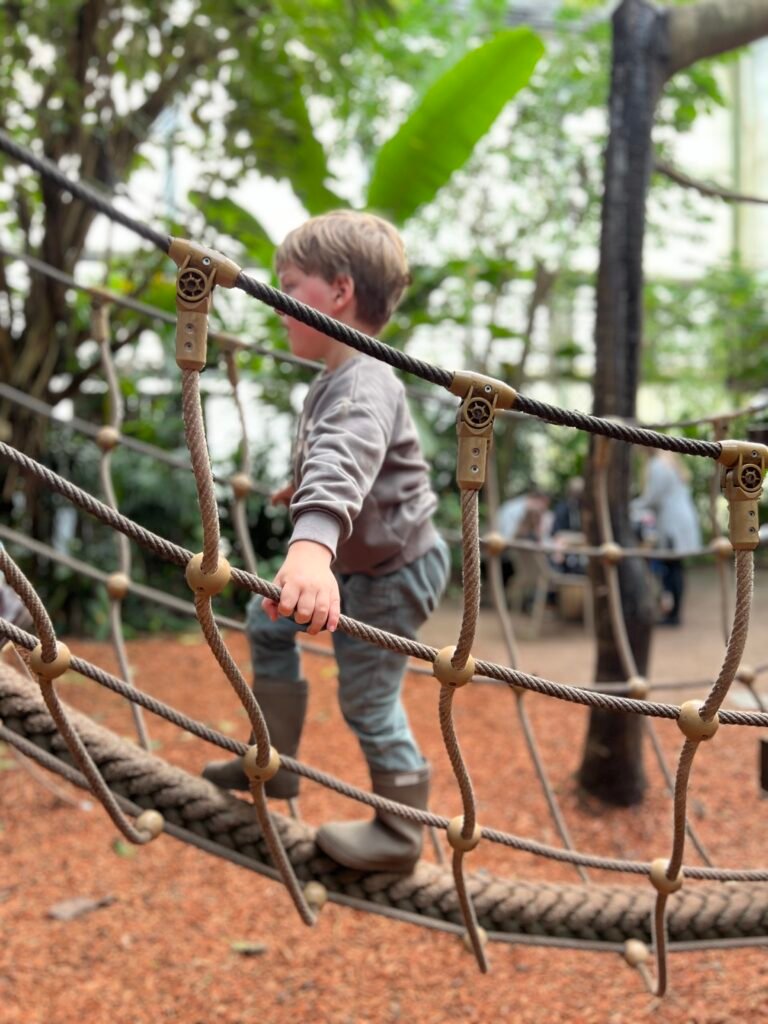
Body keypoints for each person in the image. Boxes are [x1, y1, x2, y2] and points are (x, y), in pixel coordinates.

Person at [203, 210, 450, 873]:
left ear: (338, 292)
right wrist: (298, 493)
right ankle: (275, 763)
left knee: (367, 699)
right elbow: (340, 460)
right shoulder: (336, 376)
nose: (277, 304)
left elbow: (346, 455)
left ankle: (400, 833)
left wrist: (311, 545)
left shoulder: (364, 377)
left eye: (290, 286)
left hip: (395, 571)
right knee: (266, 620)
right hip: (367, 553)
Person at [631, 450, 701, 626]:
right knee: (676, 567)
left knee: (672, 568)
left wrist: (629, 506)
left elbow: (652, 499)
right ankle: (674, 611)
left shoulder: (657, 466)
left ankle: (674, 615)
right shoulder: (670, 463)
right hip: (681, 521)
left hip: (673, 525)